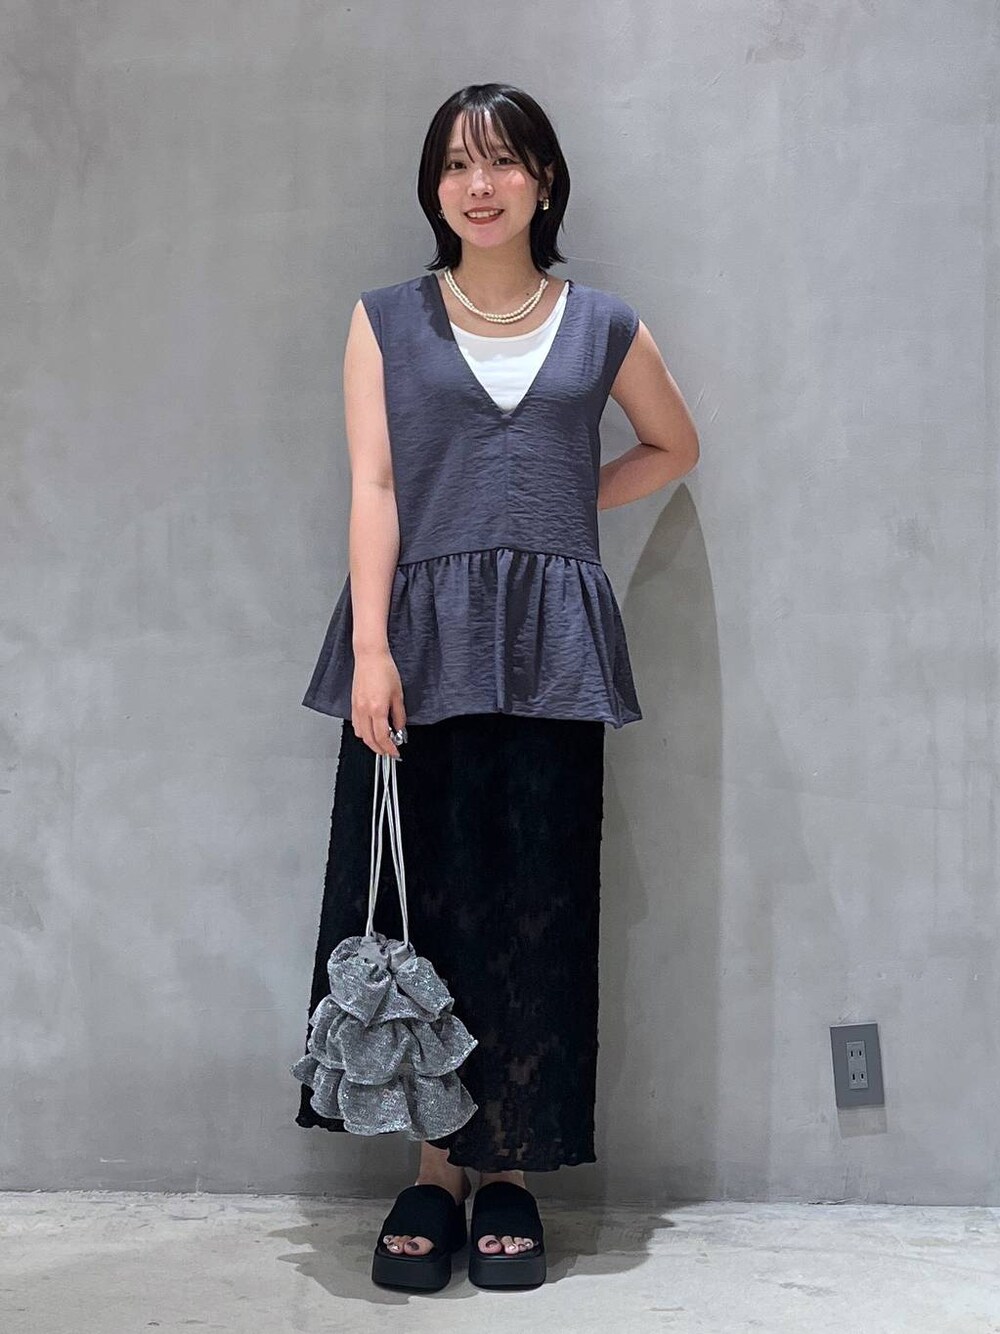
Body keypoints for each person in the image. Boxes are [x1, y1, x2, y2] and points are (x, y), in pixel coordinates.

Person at [292, 82, 699, 1292]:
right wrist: (372, 648)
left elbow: (672, 445)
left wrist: (563, 508)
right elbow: (375, 486)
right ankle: (434, 1169)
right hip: (418, 639)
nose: (480, 184)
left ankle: (508, 1165)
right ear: (434, 188)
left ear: (543, 181)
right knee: (427, 905)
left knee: (537, 902)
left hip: (552, 645)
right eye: (458, 164)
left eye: (504, 161)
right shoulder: (384, 320)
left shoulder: (603, 324)